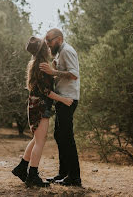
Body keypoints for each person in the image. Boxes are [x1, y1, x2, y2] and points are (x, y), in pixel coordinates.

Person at [11, 36, 73, 188]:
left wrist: (52, 70)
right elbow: (46, 90)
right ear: (42, 49)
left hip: (36, 105)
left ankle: (21, 168)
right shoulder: (41, 66)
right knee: (40, 141)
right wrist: (63, 100)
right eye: (45, 45)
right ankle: (32, 175)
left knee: (36, 139)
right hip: (40, 106)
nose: (48, 46)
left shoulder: (37, 64)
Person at [39, 28, 82, 187]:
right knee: (59, 135)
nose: (48, 44)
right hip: (62, 98)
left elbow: (74, 74)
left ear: (58, 38)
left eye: (49, 41)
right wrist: (56, 68)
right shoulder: (59, 52)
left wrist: (53, 71)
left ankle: (75, 178)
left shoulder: (67, 51)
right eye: (46, 41)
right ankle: (63, 174)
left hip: (68, 99)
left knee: (67, 138)